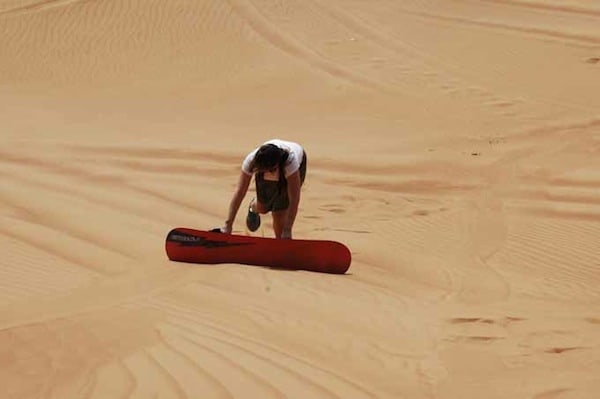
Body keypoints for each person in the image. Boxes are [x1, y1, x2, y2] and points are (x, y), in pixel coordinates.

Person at [218, 139, 307, 239]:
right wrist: (228, 225)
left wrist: (287, 229)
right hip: (267, 164)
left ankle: (280, 243)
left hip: (292, 167)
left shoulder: (290, 162)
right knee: (263, 207)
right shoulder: (251, 161)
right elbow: (240, 191)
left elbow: (294, 198)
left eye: (271, 170)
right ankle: (254, 206)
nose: (270, 173)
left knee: (280, 211)